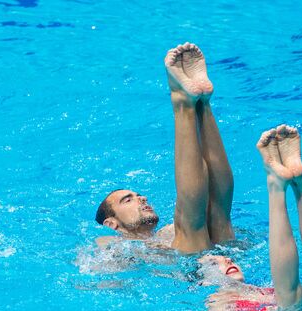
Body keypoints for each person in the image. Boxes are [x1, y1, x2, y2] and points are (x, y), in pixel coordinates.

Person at [95, 42, 234, 254]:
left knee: (218, 216)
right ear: (112, 224)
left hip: (223, 259)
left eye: (137, 195)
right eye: (127, 200)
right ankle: (182, 102)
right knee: (191, 222)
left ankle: (202, 103)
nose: (141, 198)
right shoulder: (110, 246)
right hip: (193, 276)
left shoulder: (167, 233)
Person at [198, 126, 302, 311]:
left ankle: (294, 183)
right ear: (203, 282)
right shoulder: (217, 299)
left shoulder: (262, 290)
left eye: (225, 257)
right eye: (212, 263)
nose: (226, 260)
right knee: (291, 297)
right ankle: (291, 184)